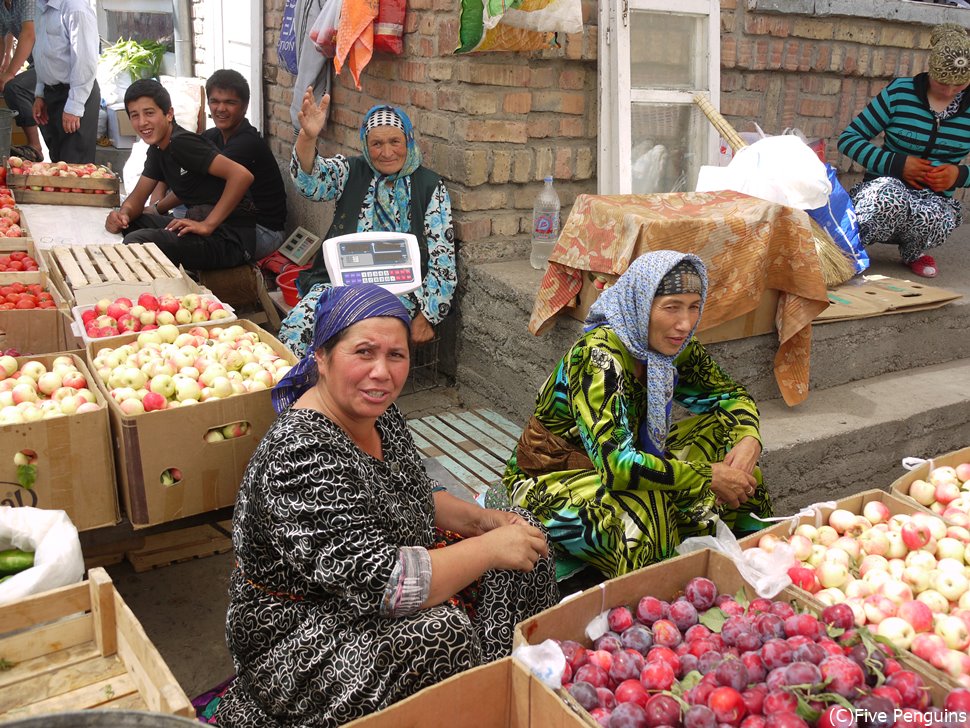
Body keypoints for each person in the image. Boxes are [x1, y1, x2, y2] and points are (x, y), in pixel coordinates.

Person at [213, 284, 558, 727]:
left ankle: (499, 689)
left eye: (396, 355)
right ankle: (469, 699)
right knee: (440, 633)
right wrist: (490, 548)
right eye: (364, 352)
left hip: (374, 583)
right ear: (321, 356)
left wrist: (485, 522)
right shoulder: (301, 455)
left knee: (524, 538)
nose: (381, 372)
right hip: (297, 633)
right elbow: (386, 586)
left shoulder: (375, 412)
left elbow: (415, 491)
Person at [499, 251, 772, 579]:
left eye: (693, 306)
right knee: (645, 509)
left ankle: (750, 569)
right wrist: (708, 476)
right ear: (641, 305)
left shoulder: (673, 346)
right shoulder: (598, 358)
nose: (684, 323)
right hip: (548, 478)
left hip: (628, 461)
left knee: (730, 446)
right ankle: (655, 608)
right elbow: (620, 468)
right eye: (671, 307)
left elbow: (730, 398)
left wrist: (749, 438)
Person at [277, 89, 456, 356]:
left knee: (354, 334)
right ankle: (293, 390)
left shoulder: (429, 186)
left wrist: (428, 316)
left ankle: (342, 393)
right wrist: (308, 136)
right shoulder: (351, 171)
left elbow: (443, 258)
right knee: (299, 325)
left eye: (395, 141)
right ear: (365, 144)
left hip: (400, 290)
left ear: (408, 140)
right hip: (341, 284)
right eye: (376, 144)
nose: (386, 153)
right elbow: (310, 182)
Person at [838, 23, 970, 279]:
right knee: (886, 197)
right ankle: (850, 248)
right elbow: (848, 139)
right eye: (943, 82)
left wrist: (959, 175)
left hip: (933, 198)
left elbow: (961, 176)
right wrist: (897, 164)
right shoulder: (900, 93)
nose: (950, 91)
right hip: (885, 188)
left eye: (961, 84)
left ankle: (914, 252)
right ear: (931, 70)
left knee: (939, 216)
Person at [104, 79, 258, 271]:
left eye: (149, 113)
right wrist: (123, 215)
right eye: (135, 115)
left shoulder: (182, 143)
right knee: (132, 224)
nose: (142, 122)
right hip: (203, 228)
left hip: (231, 240)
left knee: (136, 240)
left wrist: (208, 225)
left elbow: (242, 176)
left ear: (169, 114)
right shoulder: (157, 149)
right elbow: (138, 197)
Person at [199, 69, 288, 260]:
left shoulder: (247, 143)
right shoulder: (212, 136)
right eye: (215, 101)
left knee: (189, 240)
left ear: (245, 106)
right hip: (236, 221)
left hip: (263, 232)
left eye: (230, 102)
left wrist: (158, 208)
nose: (221, 109)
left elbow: (198, 183)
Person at [31, 0, 98, 163]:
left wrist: (74, 105)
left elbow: (85, 59)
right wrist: (40, 93)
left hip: (75, 93)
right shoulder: (40, 6)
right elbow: (43, 53)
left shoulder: (75, 7)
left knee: (74, 166)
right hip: (52, 94)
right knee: (58, 162)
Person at [0, 0, 42, 162]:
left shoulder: (27, 1)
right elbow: (2, 38)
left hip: (54, 62)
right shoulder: (3, 6)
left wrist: (10, 72)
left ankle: (35, 146)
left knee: (14, 88)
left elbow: (29, 34)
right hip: (35, 62)